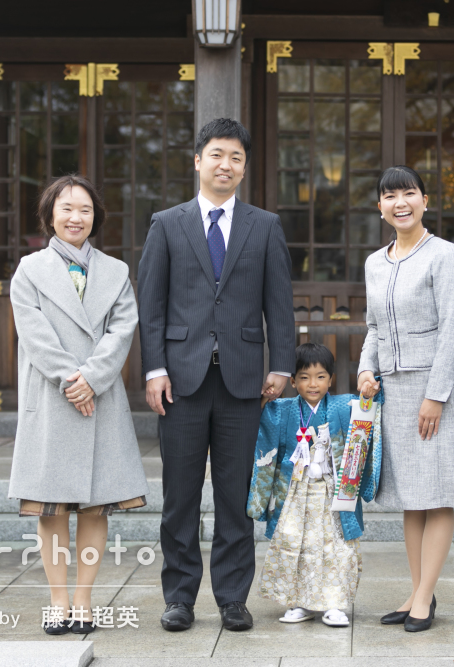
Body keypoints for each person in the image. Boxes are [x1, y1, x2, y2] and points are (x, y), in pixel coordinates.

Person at [137, 118, 297, 633]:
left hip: (244, 381)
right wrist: (154, 368)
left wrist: (281, 365)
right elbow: (152, 305)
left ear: (244, 168)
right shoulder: (167, 223)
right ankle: (180, 596)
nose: (225, 165)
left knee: (236, 495)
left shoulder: (264, 225)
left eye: (236, 158)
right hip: (180, 381)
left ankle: (232, 597)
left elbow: (280, 304)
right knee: (179, 495)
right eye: (217, 155)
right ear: (198, 160)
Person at [8, 174, 149, 636]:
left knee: (95, 507)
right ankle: (57, 602)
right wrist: (73, 380)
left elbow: (122, 331)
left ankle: (84, 603)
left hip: (100, 399)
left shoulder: (116, 272)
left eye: (85, 209)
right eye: (66, 208)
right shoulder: (30, 270)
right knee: (52, 511)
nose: (76, 217)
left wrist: (92, 378)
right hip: (53, 399)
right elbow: (34, 334)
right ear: (50, 214)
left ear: (96, 217)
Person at [357, 165, 454, 633]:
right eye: (390, 195)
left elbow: (453, 330)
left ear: (426, 201)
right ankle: (415, 591)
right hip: (393, 390)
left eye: (409, 193)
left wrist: (436, 396)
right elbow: (373, 327)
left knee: (438, 493)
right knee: (411, 497)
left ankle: (424, 598)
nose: (399, 202)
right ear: (380, 207)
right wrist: (367, 369)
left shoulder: (445, 255)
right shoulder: (373, 262)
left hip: (436, 390)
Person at [247, 343, 382, 628]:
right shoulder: (282, 410)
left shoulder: (343, 407)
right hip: (295, 492)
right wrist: (262, 401)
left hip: (332, 492)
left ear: (331, 380)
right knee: (294, 544)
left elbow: (365, 413)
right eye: (305, 377)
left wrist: (368, 397)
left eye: (321, 376)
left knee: (336, 547)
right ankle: (298, 602)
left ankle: (335, 603)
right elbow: (261, 424)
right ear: (293, 381)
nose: (313, 384)